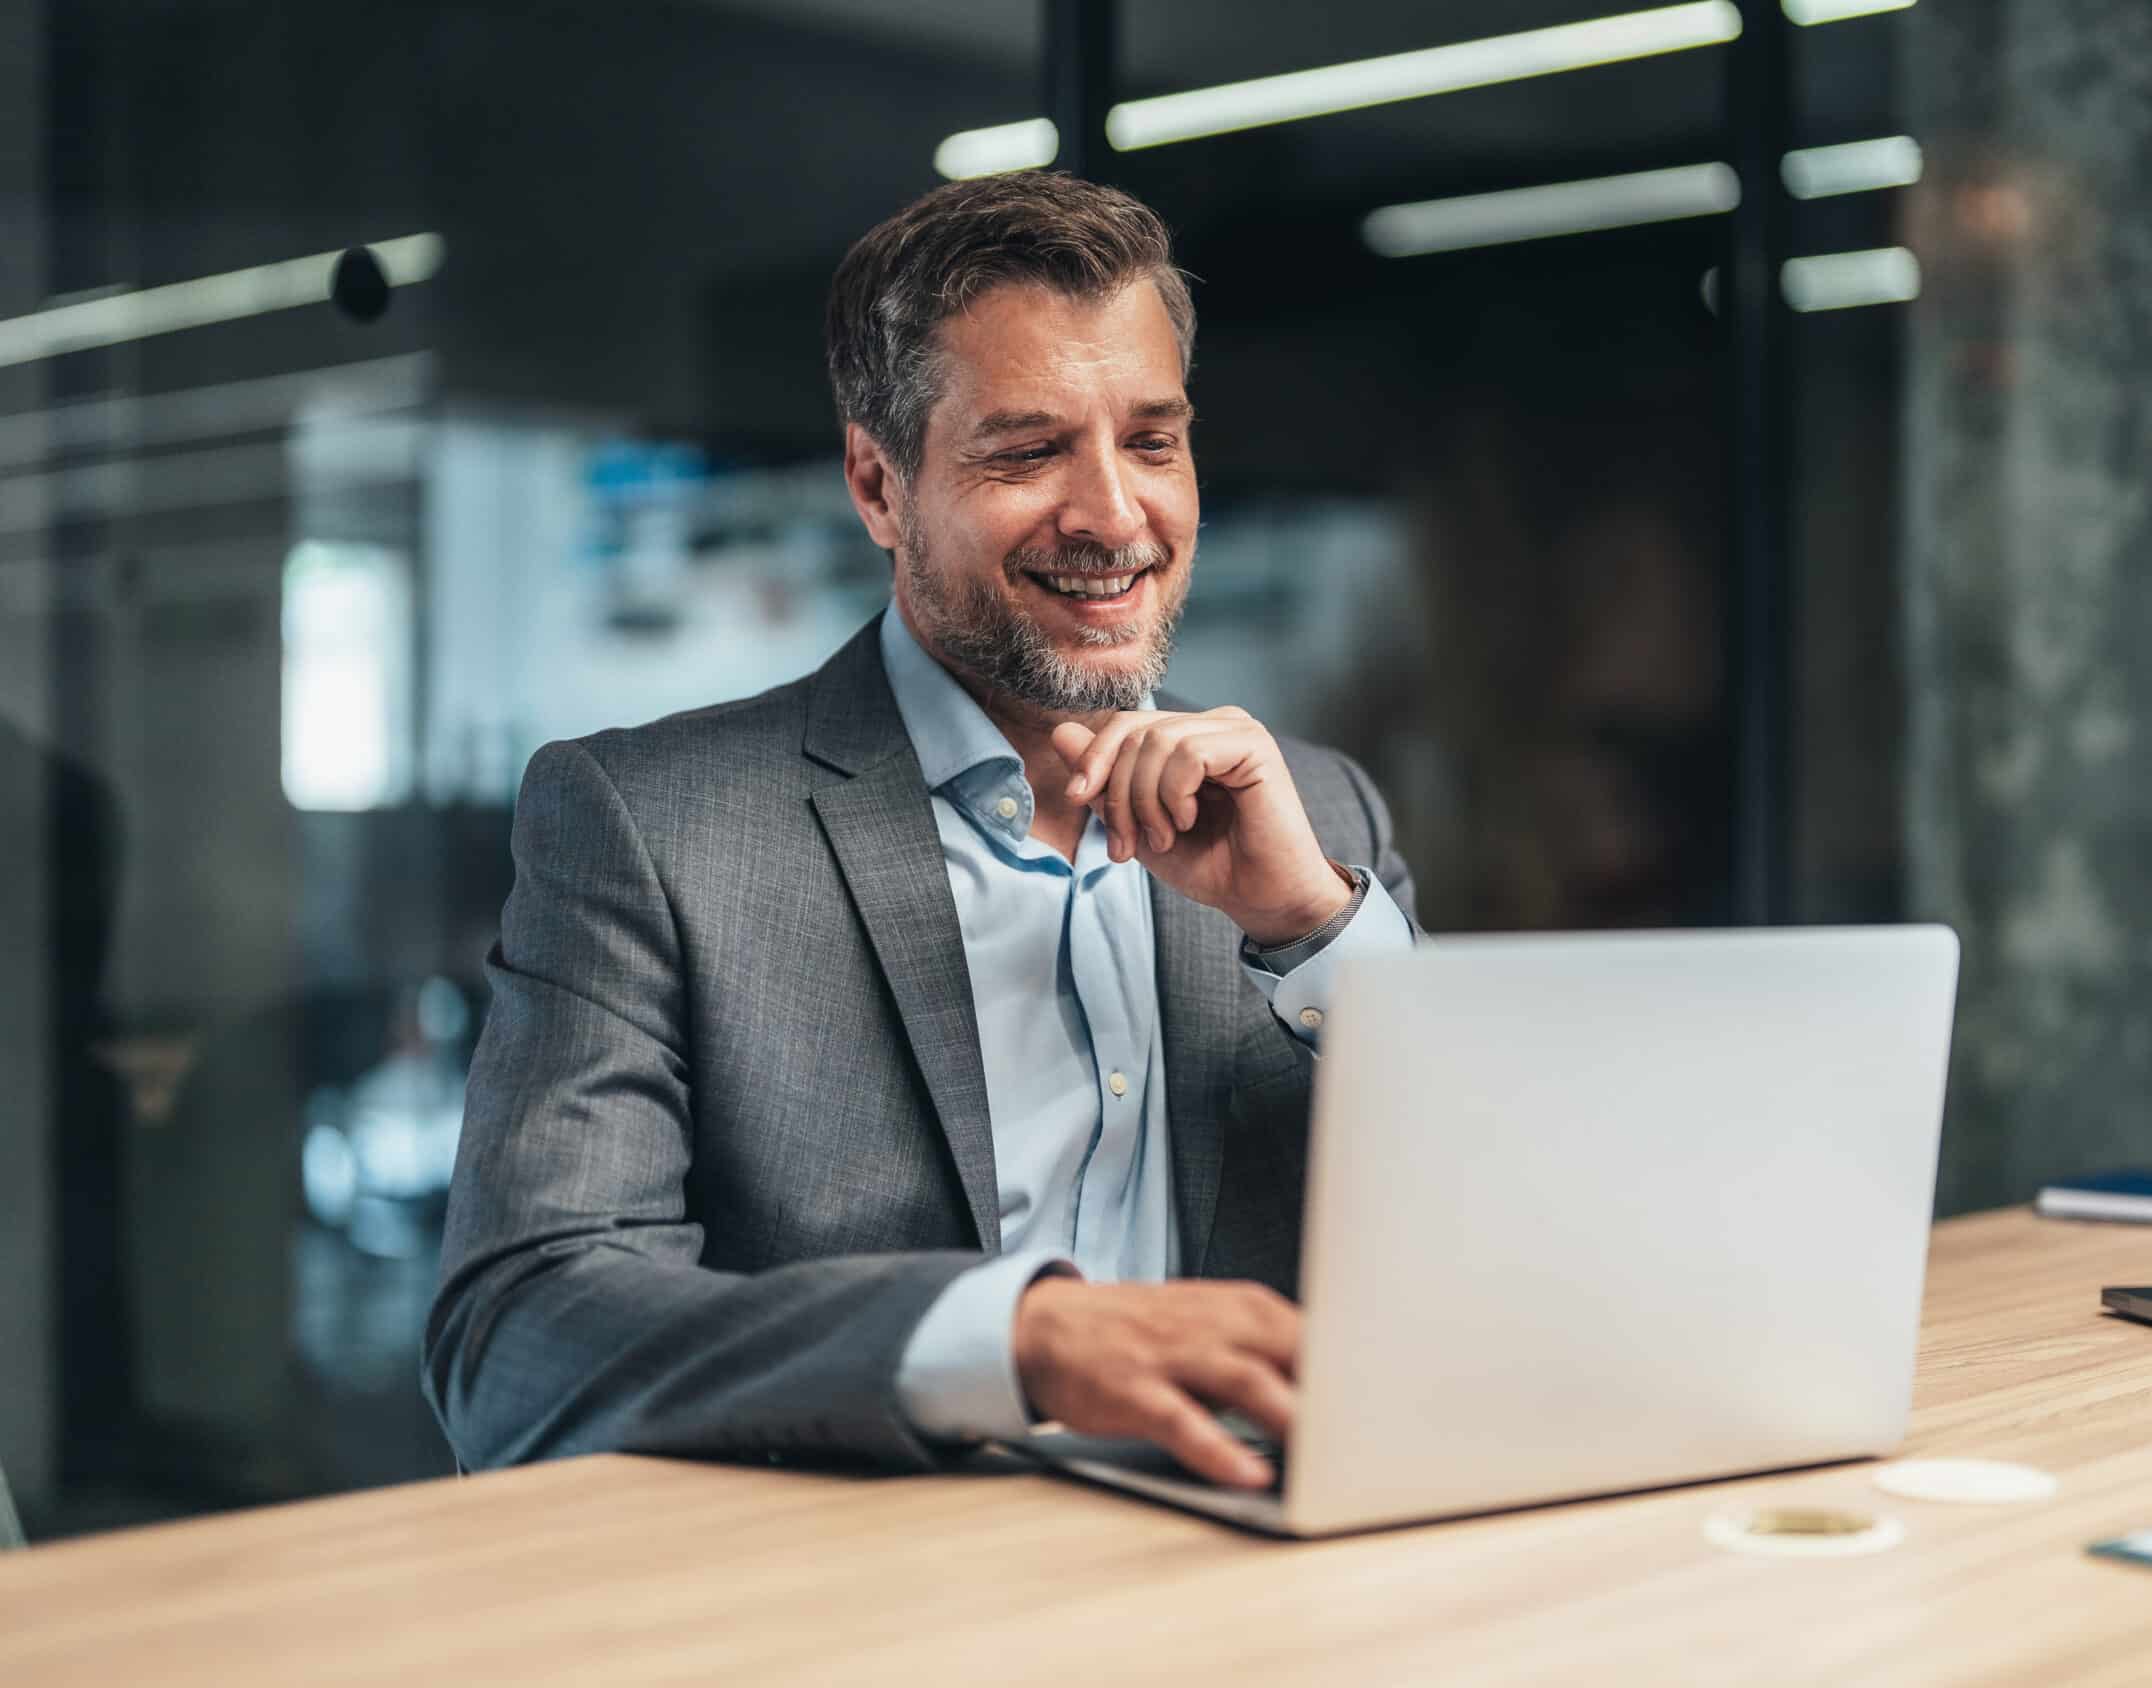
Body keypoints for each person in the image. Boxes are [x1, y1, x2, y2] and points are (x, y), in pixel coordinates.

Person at [424, 173, 1418, 1491]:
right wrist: (1017, 1342)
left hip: (1251, 1586)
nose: (1116, 516)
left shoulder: (1319, 815)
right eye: (1026, 451)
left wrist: (1319, 934)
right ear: (879, 486)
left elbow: (1499, 1266)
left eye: (1152, 441)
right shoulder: (653, 830)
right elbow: (517, 1343)